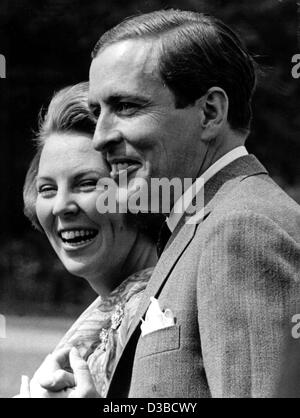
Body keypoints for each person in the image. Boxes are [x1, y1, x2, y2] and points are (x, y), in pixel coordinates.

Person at [38, 9, 300, 398]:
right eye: (97, 113)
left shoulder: (241, 229)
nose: (100, 137)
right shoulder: (203, 222)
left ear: (209, 112)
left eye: (126, 107)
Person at [19, 81, 162, 397]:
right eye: (47, 189)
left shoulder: (159, 313)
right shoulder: (116, 309)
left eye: (86, 184)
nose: (61, 206)